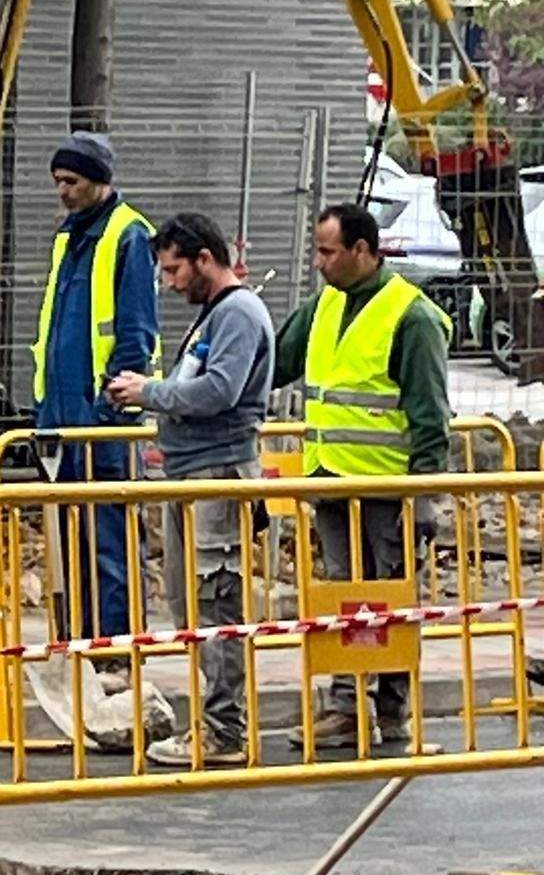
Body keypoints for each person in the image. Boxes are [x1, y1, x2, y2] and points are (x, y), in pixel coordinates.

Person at [272, 202, 451, 753]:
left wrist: (423, 497)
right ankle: (348, 706)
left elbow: (430, 417)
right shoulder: (324, 304)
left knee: (389, 599)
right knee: (343, 599)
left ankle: (390, 710)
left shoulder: (411, 318)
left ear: (363, 251)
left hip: (386, 492)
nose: (318, 262)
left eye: (327, 252)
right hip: (331, 484)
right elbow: (276, 363)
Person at [108, 213, 274, 767]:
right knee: (193, 606)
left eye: (175, 270)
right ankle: (216, 724)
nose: (170, 282)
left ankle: (226, 731)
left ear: (205, 258)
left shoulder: (238, 313)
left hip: (217, 476)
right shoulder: (217, 314)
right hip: (194, 475)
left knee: (216, 603)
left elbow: (220, 391)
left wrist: (149, 392)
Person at [32, 131, 159, 645]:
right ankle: (85, 638)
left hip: (103, 422)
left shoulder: (128, 237)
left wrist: (111, 409)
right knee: (75, 539)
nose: (63, 191)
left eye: (71, 181)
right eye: (58, 181)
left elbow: (135, 333)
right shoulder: (69, 238)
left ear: (99, 181)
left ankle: (116, 645)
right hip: (64, 419)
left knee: (110, 539)